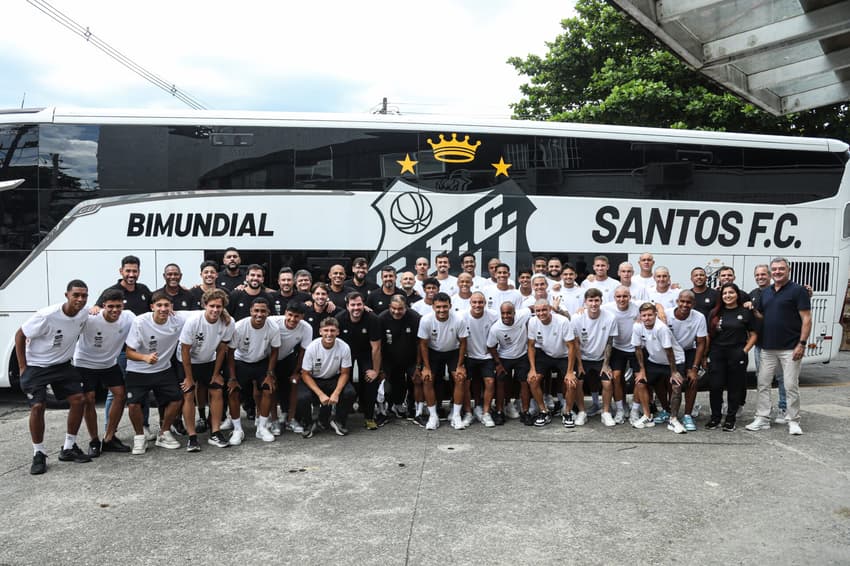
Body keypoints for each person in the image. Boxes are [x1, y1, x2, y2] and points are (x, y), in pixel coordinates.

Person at [16, 280, 92, 474]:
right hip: (37, 365)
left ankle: (68, 448)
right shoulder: (47, 316)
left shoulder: (84, 313)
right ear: (67, 295)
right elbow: (20, 335)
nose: (80, 299)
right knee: (38, 407)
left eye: (84, 295)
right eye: (76, 295)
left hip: (62, 365)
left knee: (79, 400)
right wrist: (23, 367)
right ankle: (39, 453)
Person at [746, 258, 811, 436]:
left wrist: (802, 344)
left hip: (790, 348)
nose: (777, 272)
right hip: (767, 348)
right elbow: (761, 315)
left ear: (788, 270)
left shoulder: (798, 291)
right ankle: (762, 418)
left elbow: (806, 318)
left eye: (781, 269)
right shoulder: (766, 292)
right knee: (763, 384)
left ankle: (793, 420)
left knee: (790, 385)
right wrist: (752, 309)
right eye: (774, 269)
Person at [96, 255, 154, 440]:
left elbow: (155, 306)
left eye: (134, 271)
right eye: (128, 271)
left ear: (139, 272)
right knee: (114, 393)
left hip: (141, 350)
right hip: (120, 351)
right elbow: (98, 310)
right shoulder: (111, 291)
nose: (131, 274)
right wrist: (94, 308)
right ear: (121, 271)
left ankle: (144, 426)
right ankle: (109, 431)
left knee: (142, 390)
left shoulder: (143, 290)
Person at [124, 291, 187, 455]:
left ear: (172, 307)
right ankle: (139, 437)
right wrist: (144, 357)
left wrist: (224, 314)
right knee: (133, 404)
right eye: (159, 305)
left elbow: (204, 312)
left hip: (163, 369)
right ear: (152, 307)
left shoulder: (178, 319)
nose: (163, 309)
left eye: (166, 305)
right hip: (138, 370)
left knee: (177, 399)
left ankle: (164, 433)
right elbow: (129, 352)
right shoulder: (140, 322)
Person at [75, 288, 135, 456]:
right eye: (110, 306)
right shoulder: (90, 317)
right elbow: (69, 326)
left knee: (120, 395)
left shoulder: (128, 317)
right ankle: (94, 441)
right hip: (85, 362)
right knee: (89, 399)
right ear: (103, 306)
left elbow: (145, 324)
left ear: (123, 305)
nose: (115, 310)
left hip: (109, 363)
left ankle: (109, 438)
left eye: (118, 306)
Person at [177, 288, 234, 449]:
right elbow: (185, 350)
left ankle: (215, 432)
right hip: (186, 361)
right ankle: (192, 437)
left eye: (219, 306)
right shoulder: (194, 321)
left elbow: (222, 349)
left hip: (209, 360)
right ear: (204, 305)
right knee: (188, 393)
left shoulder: (228, 322)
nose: (215, 310)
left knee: (216, 390)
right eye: (212, 306)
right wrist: (189, 378)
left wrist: (216, 373)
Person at [226, 296, 280, 444]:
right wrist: (232, 377)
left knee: (268, 388)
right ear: (250, 311)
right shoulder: (239, 327)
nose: (259, 314)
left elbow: (275, 350)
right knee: (233, 391)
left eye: (263, 311)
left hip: (261, 361)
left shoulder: (273, 328)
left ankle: (262, 427)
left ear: (268, 312)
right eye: (256, 310)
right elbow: (230, 353)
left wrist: (270, 374)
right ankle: (237, 429)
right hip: (240, 361)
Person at [705, 283, 757, 432]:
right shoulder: (715, 312)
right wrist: (705, 355)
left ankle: (730, 419)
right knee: (715, 386)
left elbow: (754, 335)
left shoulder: (745, 312)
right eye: (725, 293)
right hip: (717, 353)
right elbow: (708, 335)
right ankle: (715, 417)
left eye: (731, 293)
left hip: (737, 353)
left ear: (737, 295)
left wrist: (744, 350)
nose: (728, 296)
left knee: (734, 387)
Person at [631, 302, 686, 431]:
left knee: (676, 386)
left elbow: (669, 351)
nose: (647, 318)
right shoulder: (637, 326)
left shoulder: (661, 328)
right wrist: (642, 370)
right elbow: (637, 348)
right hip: (655, 361)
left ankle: (673, 420)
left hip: (675, 361)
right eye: (644, 315)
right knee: (640, 382)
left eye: (650, 315)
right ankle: (647, 416)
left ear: (655, 315)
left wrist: (674, 372)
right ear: (640, 316)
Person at [417, 292, 469, 430]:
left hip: (453, 351)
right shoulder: (426, 320)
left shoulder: (459, 320)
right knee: (427, 379)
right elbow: (423, 344)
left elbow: (463, 343)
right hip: (433, 352)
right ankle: (433, 416)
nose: (442, 310)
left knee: (460, 378)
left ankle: (456, 415)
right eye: (438, 307)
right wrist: (426, 367)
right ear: (433, 307)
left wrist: (460, 365)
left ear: (450, 306)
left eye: (445, 306)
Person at [298, 317, 356, 438]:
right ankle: (309, 424)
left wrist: (336, 393)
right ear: (320, 332)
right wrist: (320, 394)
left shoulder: (344, 347)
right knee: (303, 397)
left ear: (337, 332)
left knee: (349, 393)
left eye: (332, 330)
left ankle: (338, 421)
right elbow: (305, 374)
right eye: (326, 330)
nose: (329, 334)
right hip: (314, 378)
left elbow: (345, 373)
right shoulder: (312, 347)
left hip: (333, 378)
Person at [569, 288, 617, 427]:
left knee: (607, 383)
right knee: (578, 383)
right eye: (590, 300)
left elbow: (609, 342)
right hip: (583, 358)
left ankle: (605, 412)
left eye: (596, 300)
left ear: (601, 301)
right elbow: (575, 343)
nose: (594, 304)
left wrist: (606, 364)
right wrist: (579, 364)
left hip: (601, 358)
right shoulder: (576, 318)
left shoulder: (610, 317)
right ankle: (582, 412)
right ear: (585, 302)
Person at [488, 302, 541, 425]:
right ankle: (500, 411)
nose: (506, 316)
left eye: (509, 313)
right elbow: (490, 346)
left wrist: (554, 308)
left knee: (524, 383)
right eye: (503, 313)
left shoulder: (522, 315)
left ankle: (525, 412)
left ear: (514, 313)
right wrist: (498, 364)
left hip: (522, 356)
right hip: (504, 357)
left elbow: (533, 307)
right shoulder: (496, 328)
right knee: (501, 383)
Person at [336, 291, 383, 429]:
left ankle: (369, 417)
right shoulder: (339, 318)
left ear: (364, 305)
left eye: (359, 304)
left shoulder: (372, 319)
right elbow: (336, 345)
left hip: (366, 353)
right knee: (345, 383)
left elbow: (376, 348)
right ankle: (342, 417)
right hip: (346, 354)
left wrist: (375, 371)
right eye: (353, 305)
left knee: (370, 380)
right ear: (347, 306)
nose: (356, 308)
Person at [527, 299, 577, 427]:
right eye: (538, 311)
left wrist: (570, 372)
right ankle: (544, 411)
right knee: (533, 380)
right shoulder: (532, 322)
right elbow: (531, 346)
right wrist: (532, 369)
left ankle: (567, 412)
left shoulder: (562, 321)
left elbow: (571, 346)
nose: (541, 313)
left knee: (571, 383)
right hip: (545, 354)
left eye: (544, 310)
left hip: (563, 355)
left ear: (550, 309)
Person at [664, 290, 707, 432]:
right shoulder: (667, 314)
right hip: (671, 351)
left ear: (693, 304)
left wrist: (694, 368)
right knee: (670, 380)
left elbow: (701, 343)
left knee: (692, 380)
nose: (685, 305)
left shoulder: (699, 317)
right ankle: (668, 411)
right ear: (677, 301)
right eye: (682, 301)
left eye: (688, 302)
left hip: (688, 350)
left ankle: (687, 415)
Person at [749, 263, 787, 423]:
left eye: (763, 274)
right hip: (761, 344)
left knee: (782, 378)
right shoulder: (752, 294)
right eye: (757, 275)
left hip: (780, 344)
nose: (760, 277)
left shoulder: (776, 292)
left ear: (770, 275)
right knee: (762, 379)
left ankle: (784, 408)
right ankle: (765, 411)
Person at [269, 301, 313, 435]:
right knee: (271, 386)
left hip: (287, 357)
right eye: (290, 315)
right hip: (267, 357)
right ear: (285, 313)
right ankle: (274, 419)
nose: (292, 319)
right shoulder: (272, 322)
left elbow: (303, 352)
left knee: (294, 383)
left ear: (302, 317)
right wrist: (270, 371)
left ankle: (291, 419)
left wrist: (296, 372)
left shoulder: (307, 328)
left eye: (297, 316)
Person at [378, 295, 422, 420]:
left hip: (410, 358)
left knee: (418, 380)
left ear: (406, 307)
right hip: (389, 359)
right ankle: (383, 411)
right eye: (394, 308)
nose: (397, 312)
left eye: (400, 309)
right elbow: (378, 345)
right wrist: (380, 368)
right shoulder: (382, 318)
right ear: (389, 307)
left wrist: (418, 366)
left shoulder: (415, 318)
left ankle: (416, 410)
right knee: (384, 383)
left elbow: (420, 344)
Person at [602, 285, 640, 425]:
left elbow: (655, 306)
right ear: (614, 297)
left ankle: (635, 410)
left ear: (630, 297)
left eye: (625, 296)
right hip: (617, 348)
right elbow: (591, 307)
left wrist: (659, 309)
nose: (622, 299)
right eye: (619, 296)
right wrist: (581, 309)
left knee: (639, 379)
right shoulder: (607, 308)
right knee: (616, 377)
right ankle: (620, 409)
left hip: (635, 347)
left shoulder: (637, 307)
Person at [461, 291, 499, 426]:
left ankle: (486, 413)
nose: (477, 305)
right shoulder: (462, 316)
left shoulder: (494, 315)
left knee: (490, 382)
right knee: (465, 383)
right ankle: (468, 413)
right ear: (470, 303)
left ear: (485, 303)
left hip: (487, 356)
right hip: (469, 356)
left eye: (480, 302)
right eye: (475, 302)